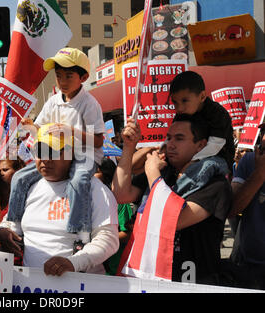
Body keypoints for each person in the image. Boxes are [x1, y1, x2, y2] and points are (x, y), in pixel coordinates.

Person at [113, 114, 231, 284]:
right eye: (168, 138)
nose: (171, 144)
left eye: (179, 138)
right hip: (152, 276)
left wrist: (152, 172)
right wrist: (129, 148)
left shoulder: (215, 183)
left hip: (194, 281)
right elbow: (120, 194)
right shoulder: (165, 173)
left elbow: (172, 221)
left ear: (200, 145)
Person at [8, 47, 106, 243]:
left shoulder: (90, 104)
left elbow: (98, 140)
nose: (62, 82)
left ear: (84, 77)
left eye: (69, 76)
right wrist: (30, 126)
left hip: (82, 155)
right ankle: (15, 224)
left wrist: (70, 131)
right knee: (18, 176)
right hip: (52, 155)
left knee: (78, 182)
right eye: (59, 76)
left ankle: (80, 234)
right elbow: (40, 129)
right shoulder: (52, 101)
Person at [0, 125, 119, 276]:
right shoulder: (27, 187)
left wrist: (73, 263)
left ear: (70, 153)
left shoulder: (94, 189)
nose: (45, 160)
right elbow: (9, 222)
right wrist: (3, 231)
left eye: (53, 152)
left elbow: (108, 239)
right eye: (39, 152)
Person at [168, 71, 235, 198]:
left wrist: (192, 162)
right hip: (190, 160)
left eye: (185, 101)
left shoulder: (218, 113)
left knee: (206, 165)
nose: (179, 108)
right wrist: (163, 150)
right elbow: (172, 134)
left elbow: (216, 145)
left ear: (202, 96)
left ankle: (176, 197)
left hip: (218, 158)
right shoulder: (181, 115)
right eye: (175, 102)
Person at [227, 123, 265, 289]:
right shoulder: (249, 161)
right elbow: (232, 209)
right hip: (250, 264)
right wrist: (259, 175)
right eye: (263, 132)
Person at [94, 157, 133, 275]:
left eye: (95, 171)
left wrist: (100, 242)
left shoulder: (120, 201)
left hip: (114, 267)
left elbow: (127, 234)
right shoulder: (88, 199)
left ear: (105, 173)